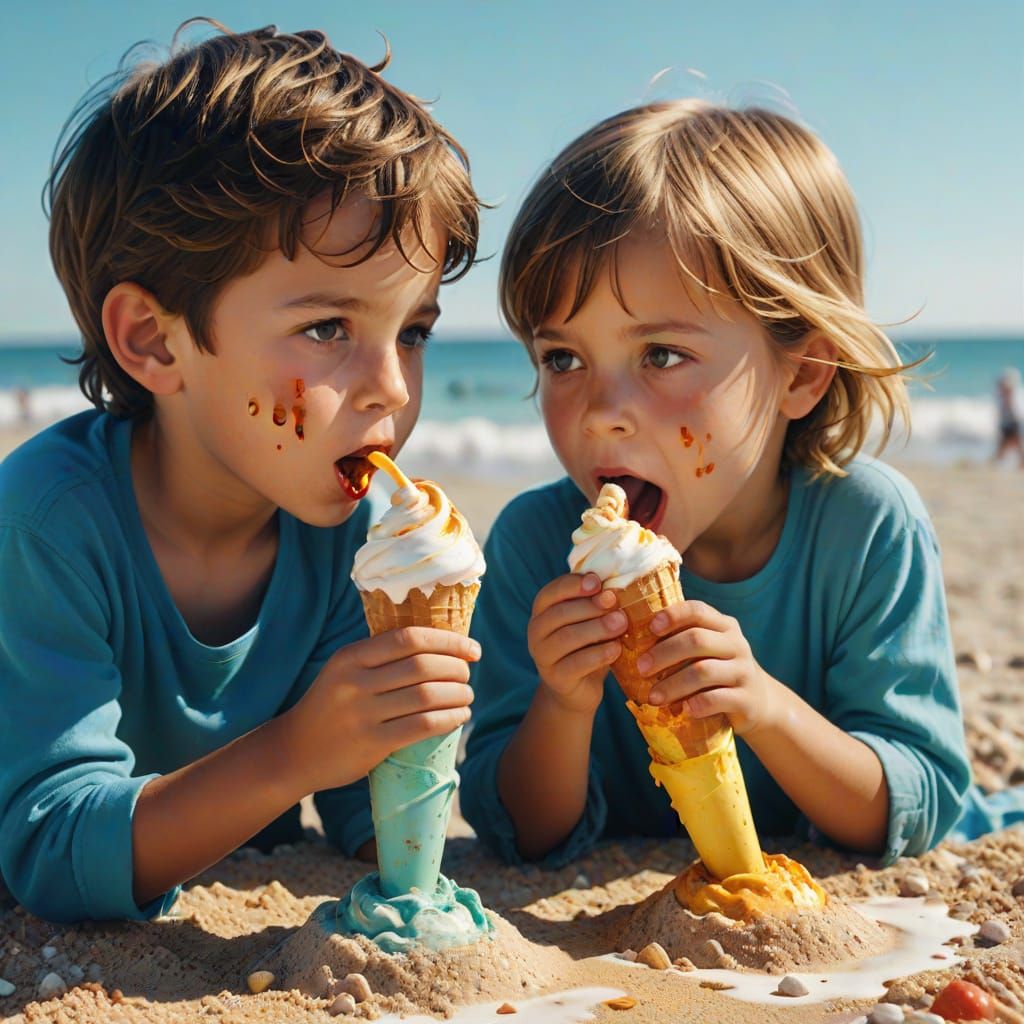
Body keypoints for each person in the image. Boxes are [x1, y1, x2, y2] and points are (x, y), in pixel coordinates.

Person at [0, 22, 482, 922]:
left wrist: (416, 725)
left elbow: (362, 820)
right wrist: (299, 751)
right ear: (153, 339)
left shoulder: (352, 541)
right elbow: (51, 850)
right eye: (329, 328)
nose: (391, 388)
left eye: (411, 332)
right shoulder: (44, 525)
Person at [460, 100, 972, 868]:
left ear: (800, 373)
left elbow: (909, 806)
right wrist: (563, 705)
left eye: (661, 354)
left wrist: (763, 706)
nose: (601, 415)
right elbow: (520, 832)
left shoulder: (865, 528)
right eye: (562, 359)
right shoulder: (535, 545)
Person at [992, 366, 1023, 467]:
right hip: (1007, 424)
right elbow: (1000, 413)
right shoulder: (1001, 397)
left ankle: (1020, 464)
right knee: (1003, 447)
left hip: (1014, 423)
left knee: (1018, 446)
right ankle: (996, 464)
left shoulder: (1015, 396)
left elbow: (1017, 412)